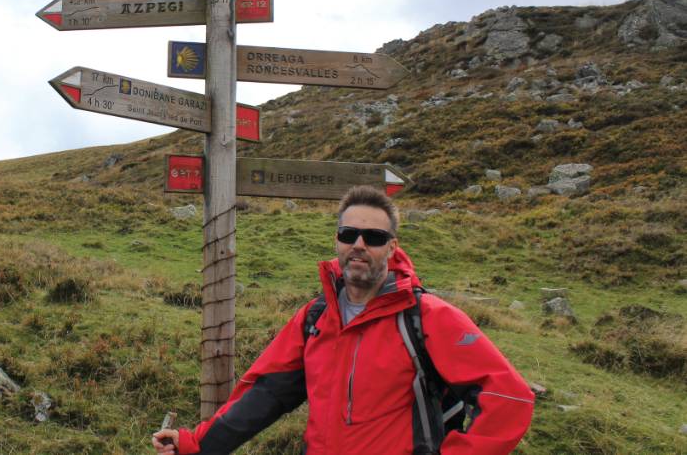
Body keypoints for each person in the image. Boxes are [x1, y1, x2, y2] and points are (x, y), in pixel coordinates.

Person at [152, 186, 534, 454]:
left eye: (374, 236)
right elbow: (263, 396)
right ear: (337, 240)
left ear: (392, 247)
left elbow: (509, 397)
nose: (359, 244)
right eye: (349, 233)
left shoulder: (426, 317)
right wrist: (194, 445)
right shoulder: (315, 318)